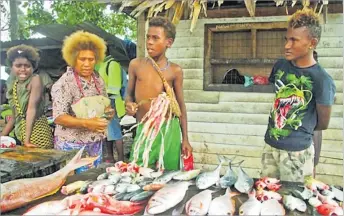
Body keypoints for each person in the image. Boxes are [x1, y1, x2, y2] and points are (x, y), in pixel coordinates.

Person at [261, 8, 336, 182]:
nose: (287, 45)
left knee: (295, 203)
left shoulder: (322, 80)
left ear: (312, 43)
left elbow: (322, 123)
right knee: (266, 197)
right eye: (286, 39)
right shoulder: (280, 66)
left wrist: (296, 135)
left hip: (297, 153)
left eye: (294, 40)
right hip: (270, 146)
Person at [126, 16, 192, 171]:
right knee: (137, 171)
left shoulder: (175, 71)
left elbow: (180, 105)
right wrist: (128, 104)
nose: (149, 42)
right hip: (144, 128)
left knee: (168, 174)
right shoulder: (136, 65)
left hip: (169, 129)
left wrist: (185, 139)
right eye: (148, 37)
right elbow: (128, 94)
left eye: (155, 38)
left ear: (168, 42)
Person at [51, 31, 114, 173]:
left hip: (95, 144)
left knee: (92, 184)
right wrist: (87, 123)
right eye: (82, 59)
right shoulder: (64, 83)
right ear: (73, 59)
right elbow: (59, 117)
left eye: (91, 59)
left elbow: (106, 105)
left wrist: (108, 113)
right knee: (73, 186)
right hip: (71, 146)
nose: (87, 64)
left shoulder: (98, 80)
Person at [1, 45, 53, 148]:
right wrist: (2, 136)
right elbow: (15, 116)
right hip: (22, 134)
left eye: (27, 66)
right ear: (11, 67)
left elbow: (31, 109)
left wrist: (27, 141)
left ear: (33, 67)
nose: (23, 69)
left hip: (37, 134)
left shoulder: (35, 79)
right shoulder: (14, 84)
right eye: (18, 65)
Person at [96, 55, 127, 162]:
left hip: (111, 102)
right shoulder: (103, 64)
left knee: (115, 132)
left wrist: (107, 104)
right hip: (105, 102)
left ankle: (121, 158)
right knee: (107, 131)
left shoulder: (112, 64)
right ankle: (110, 156)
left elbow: (114, 88)